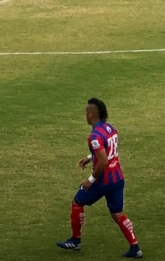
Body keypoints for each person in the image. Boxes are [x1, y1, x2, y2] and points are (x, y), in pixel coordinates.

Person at [57, 98, 142, 258]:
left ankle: (75, 240)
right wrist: (90, 157)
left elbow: (103, 161)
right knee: (117, 213)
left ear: (90, 115)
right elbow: (108, 150)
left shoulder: (94, 136)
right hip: (118, 178)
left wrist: (90, 180)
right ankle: (135, 247)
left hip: (104, 181)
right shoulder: (110, 128)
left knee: (77, 202)